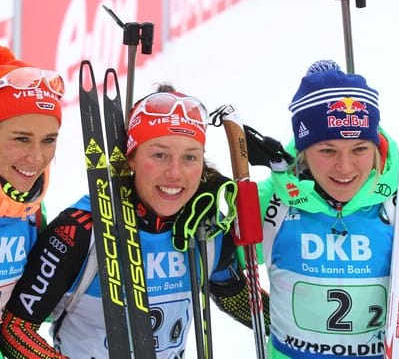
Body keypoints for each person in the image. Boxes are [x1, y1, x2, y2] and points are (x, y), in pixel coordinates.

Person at [0, 85, 269, 358]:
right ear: (131, 158)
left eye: (190, 157)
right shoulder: (79, 230)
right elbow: (16, 329)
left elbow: (234, 296)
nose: (174, 173)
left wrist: (301, 326)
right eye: (159, 155)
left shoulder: (205, 226)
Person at [245, 60, 399, 358]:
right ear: (303, 150)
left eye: (359, 149)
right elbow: (214, 265)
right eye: (327, 150)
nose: (344, 167)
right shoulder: (270, 201)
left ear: (376, 146)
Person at [0, 46, 63, 316]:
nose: (37, 158)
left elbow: (34, 310)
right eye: (21, 139)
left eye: (48, 140)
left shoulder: (31, 208)